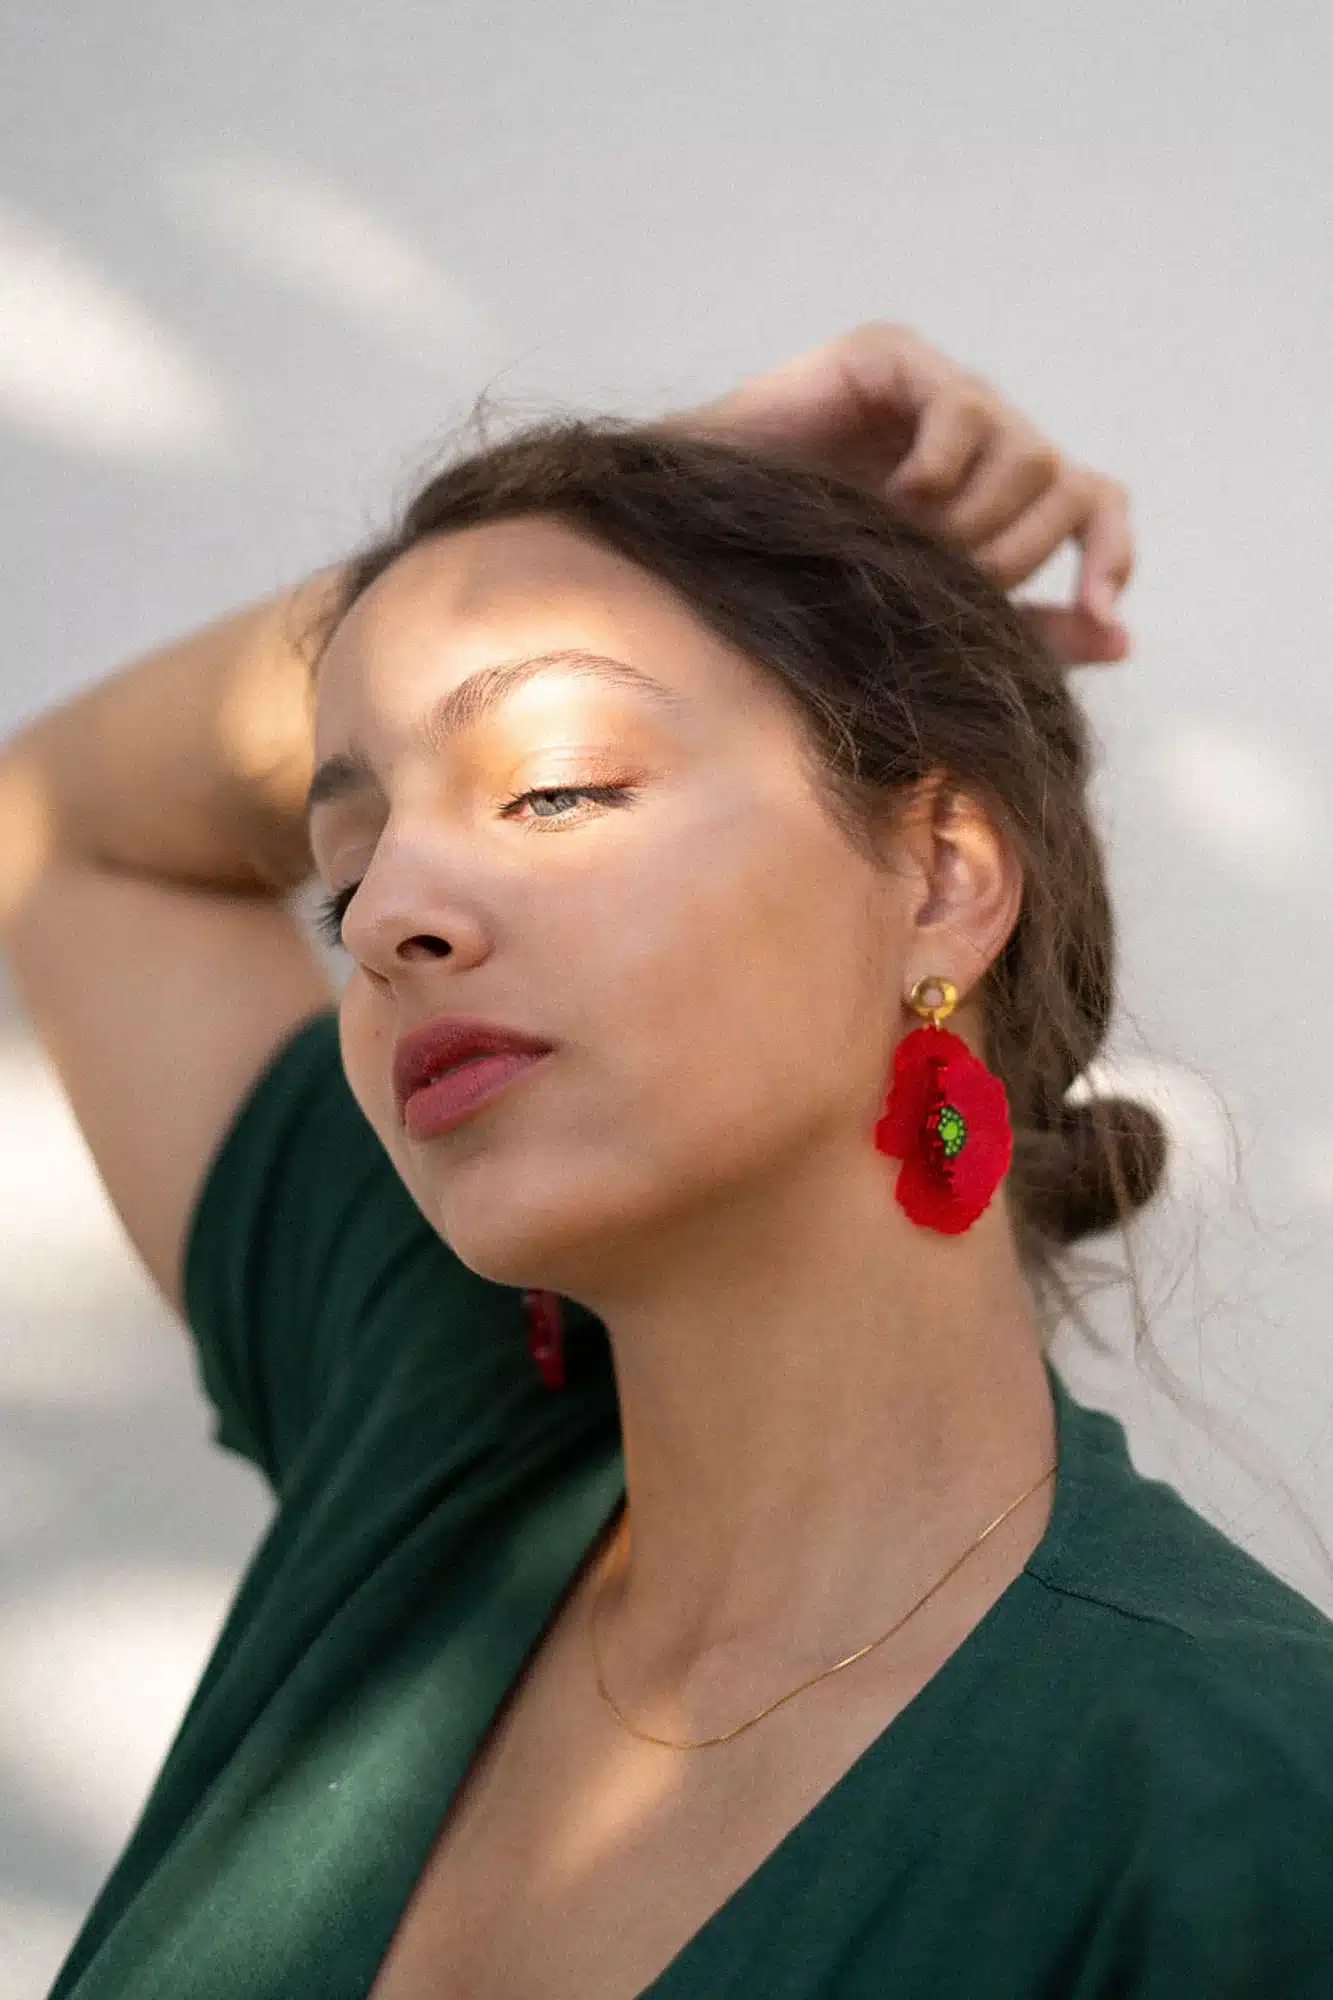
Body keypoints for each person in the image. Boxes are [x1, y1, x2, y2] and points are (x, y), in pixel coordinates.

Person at [2, 322, 1330, 1999]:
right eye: (348, 876)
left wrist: (629, 530)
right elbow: (53, 826)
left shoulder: (1249, 1823)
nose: (392, 918)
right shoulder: (433, 1432)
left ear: (938, 879)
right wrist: (607, 513)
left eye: (553, 788)